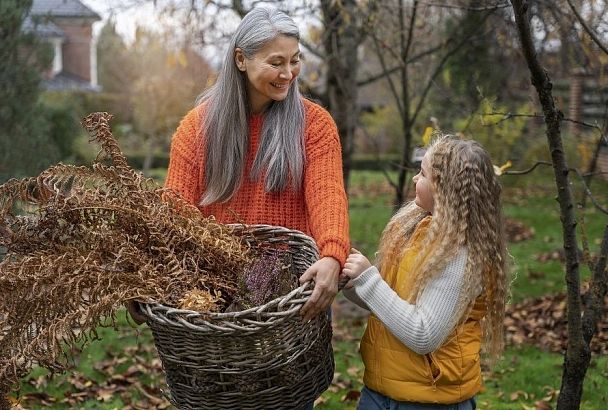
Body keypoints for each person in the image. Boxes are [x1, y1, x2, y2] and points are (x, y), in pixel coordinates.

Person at [161, 7, 349, 321]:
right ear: (240, 59)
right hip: (215, 301)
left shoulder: (315, 125)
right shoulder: (197, 128)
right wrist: (146, 271)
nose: (288, 73)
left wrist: (332, 255)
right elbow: (173, 213)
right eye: (276, 62)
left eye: (295, 60)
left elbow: (327, 196)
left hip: (293, 296)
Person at [341, 135, 507, 410]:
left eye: (423, 174)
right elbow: (392, 305)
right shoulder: (419, 232)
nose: (416, 180)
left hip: (429, 400)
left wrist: (368, 280)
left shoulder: (458, 256)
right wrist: (354, 283)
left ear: (445, 190)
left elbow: (423, 335)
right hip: (381, 389)